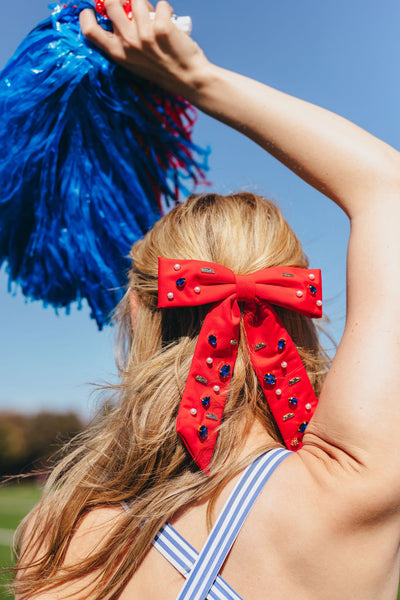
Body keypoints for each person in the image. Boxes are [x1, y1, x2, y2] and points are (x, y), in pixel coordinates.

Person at [13, 0, 400, 599]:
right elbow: (387, 187)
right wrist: (197, 79)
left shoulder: (56, 537)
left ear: (139, 309)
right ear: (299, 303)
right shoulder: (352, 484)